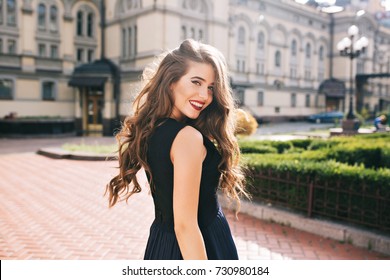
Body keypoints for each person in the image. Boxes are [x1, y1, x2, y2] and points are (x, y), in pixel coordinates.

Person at [105, 39, 249, 260]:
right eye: (196, 82)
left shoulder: (152, 129)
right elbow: (185, 226)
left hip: (162, 243)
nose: (205, 96)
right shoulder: (187, 138)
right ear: (171, 81)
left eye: (211, 87)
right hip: (199, 246)